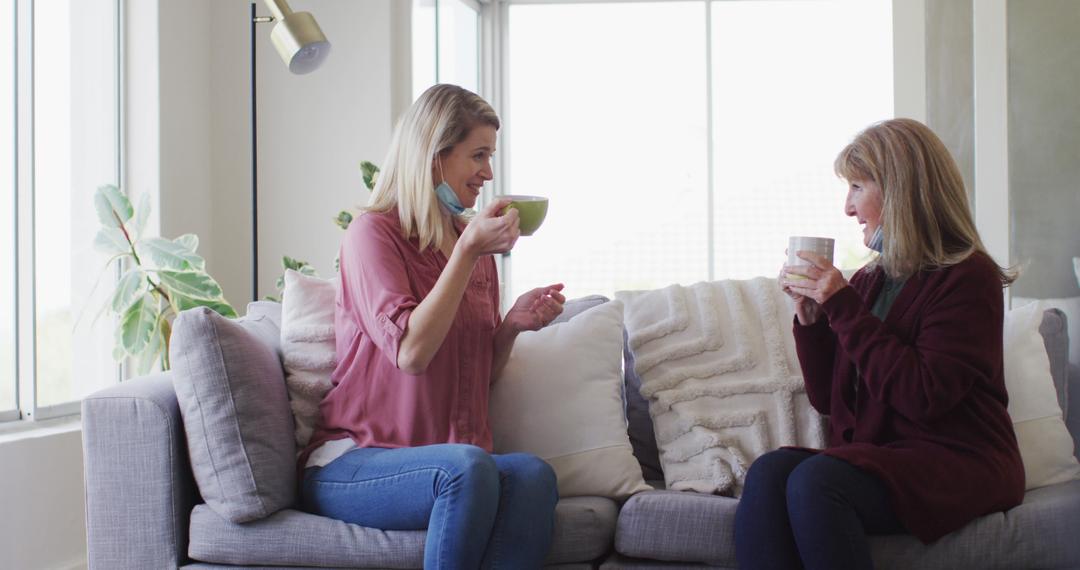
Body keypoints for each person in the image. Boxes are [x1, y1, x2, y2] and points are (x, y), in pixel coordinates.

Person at [734, 118, 1024, 570]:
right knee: (770, 473)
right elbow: (832, 402)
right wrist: (811, 321)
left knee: (817, 480)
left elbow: (922, 396)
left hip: (959, 463)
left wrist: (843, 306)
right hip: (889, 458)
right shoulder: (872, 279)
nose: (848, 208)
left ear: (899, 190)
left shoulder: (968, 278)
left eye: (856, 187)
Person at [298, 84, 566, 570]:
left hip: (442, 462)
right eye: (478, 155)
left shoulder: (473, 248)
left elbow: (471, 379)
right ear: (433, 157)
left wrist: (509, 329)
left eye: (491, 156)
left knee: (531, 475)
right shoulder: (373, 236)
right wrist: (465, 254)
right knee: (465, 468)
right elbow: (412, 354)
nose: (488, 173)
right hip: (356, 460)